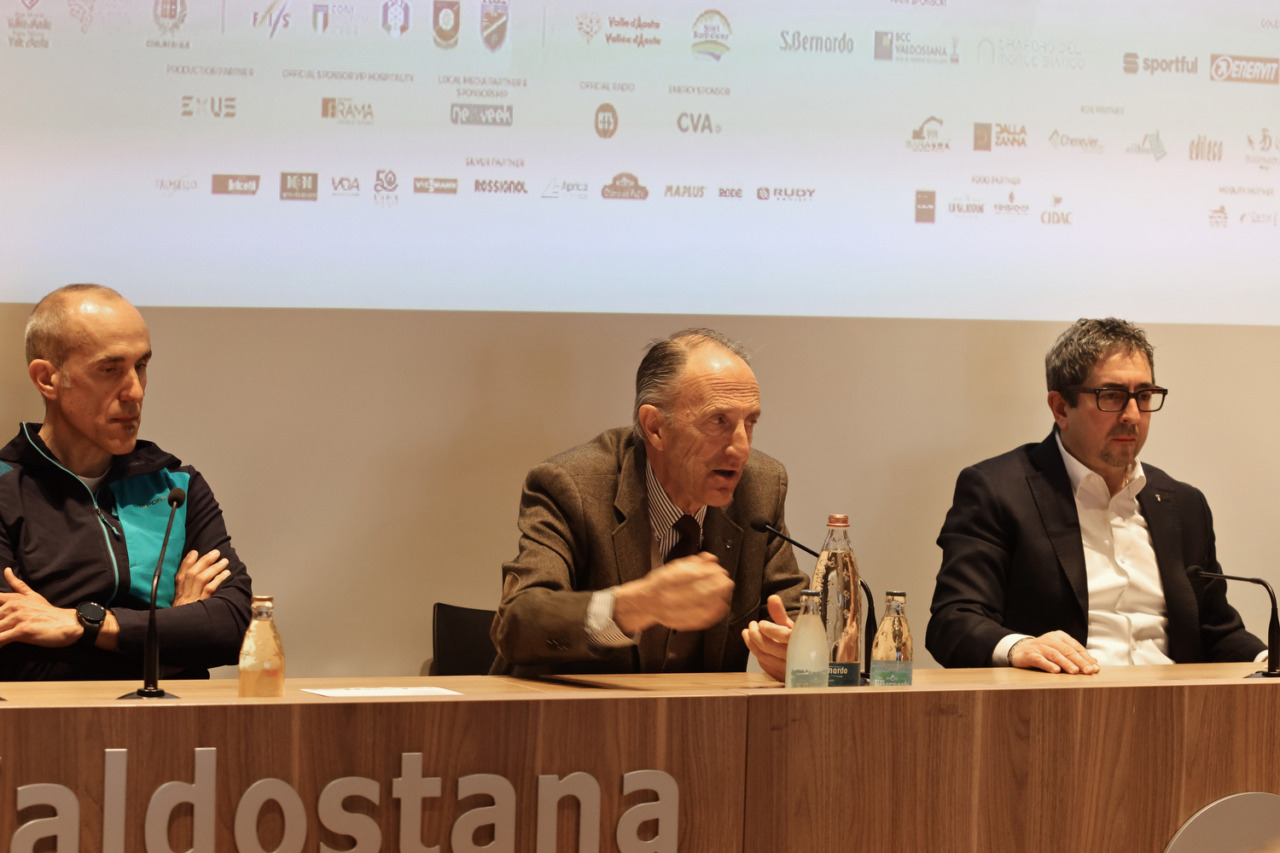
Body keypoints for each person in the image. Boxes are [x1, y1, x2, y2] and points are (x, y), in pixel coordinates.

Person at [927, 317, 1265, 673]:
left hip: (1173, 702)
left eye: (1144, 396)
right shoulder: (998, 490)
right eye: (1112, 396)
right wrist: (1019, 647)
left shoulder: (1184, 504)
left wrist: (1266, 659)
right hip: (1064, 699)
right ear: (1061, 408)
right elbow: (954, 619)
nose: (1132, 415)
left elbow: (1216, 631)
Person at [490, 328, 808, 679]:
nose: (742, 449)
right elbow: (517, 623)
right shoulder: (572, 486)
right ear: (655, 427)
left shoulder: (760, 488)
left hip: (700, 713)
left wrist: (798, 649)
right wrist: (634, 605)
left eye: (749, 423)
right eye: (718, 421)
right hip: (557, 709)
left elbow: (795, 614)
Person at [0, 284, 253, 680]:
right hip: (50, 720)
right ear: (47, 378)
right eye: (110, 370)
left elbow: (234, 627)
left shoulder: (177, 486)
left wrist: (80, 625)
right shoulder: (4, 490)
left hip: (175, 717)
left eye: (141, 366)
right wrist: (173, 636)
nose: (135, 391)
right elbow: (20, 657)